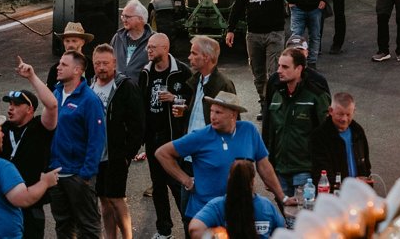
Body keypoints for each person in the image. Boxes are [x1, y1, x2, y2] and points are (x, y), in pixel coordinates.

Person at [156, 96, 288, 231]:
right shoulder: (201, 136)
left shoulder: (249, 131)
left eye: (218, 113)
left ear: (233, 114)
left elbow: (264, 166)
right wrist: (186, 180)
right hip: (206, 216)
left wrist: (282, 198)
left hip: (237, 213)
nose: (212, 116)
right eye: (211, 111)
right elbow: (162, 153)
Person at [137, 32, 191, 239]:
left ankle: (189, 227)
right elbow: (141, 103)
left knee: (176, 184)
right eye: (148, 46)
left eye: (153, 47)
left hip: (173, 138)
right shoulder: (146, 72)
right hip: (152, 137)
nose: (148, 50)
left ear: (165, 49)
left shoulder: (182, 72)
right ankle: (164, 230)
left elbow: (192, 100)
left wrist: (175, 98)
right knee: (158, 185)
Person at [46, 51, 104, 239]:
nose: (58, 67)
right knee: (63, 225)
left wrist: (86, 174)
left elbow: (96, 140)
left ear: (77, 70)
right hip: (56, 173)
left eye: (64, 64)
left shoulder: (90, 100)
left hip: (78, 175)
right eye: (59, 63)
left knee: (87, 226)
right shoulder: (56, 93)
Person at [0, 58, 58, 239]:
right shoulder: (2, 129)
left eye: (16, 105)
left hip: (32, 204)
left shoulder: (40, 128)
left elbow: (53, 105)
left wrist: (31, 76)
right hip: (4, 201)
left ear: (30, 109)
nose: (10, 108)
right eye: (9, 104)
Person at [262, 48, 330, 197]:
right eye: (279, 66)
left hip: (305, 171)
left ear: (299, 69)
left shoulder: (316, 97)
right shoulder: (276, 94)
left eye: (285, 67)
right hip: (279, 170)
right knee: (286, 217)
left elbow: (328, 135)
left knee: (302, 217)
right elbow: (269, 132)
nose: (279, 70)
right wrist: (270, 168)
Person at [90, 44, 142, 239]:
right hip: (96, 155)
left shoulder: (125, 86)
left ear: (114, 63)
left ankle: (127, 237)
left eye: (105, 63)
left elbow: (138, 123)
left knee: (116, 198)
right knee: (103, 199)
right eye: (97, 63)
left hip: (116, 155)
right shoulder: (89, 85)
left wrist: (128, 154)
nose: (101, 67)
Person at [226, 0, 289, 107]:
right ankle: (263, 102)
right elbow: (237, 7)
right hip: (253, 35)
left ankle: (274, 104)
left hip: (274, 34)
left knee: (274, 72)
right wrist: (230, 29)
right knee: (258, 73)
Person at [186, 160, 285, 239]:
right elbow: (282, 232)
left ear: (229, 179)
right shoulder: (266, 206)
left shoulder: (218, 205)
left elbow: (195, 230)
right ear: (253, 181)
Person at [310, 93, 371, 183]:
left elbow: (366, 163)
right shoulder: (319, 136)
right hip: (334, 193)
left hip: (358, 191)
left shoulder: (358, 131)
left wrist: (367, 181)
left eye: (348, 114)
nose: (344, 119)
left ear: (354, 111)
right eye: (340, 114)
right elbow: (321, 172)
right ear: (330, 111)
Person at [186, 36, 237, 135]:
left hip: (209, 146)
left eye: (194, 53)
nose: (189, 57)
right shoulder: (195, 81)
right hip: (192, 143)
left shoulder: (224, 85)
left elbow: (232, 122)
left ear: (206, 58)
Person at [110, 0, 153, 84]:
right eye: (123, 16)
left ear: (141, 19)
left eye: (128, 17)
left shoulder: (153, 39)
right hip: (118, 91)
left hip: (140, 93)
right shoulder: (117, 37)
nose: (124, 20)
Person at [47, 23, 94, 91]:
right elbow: (50, 96)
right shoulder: (55, 70)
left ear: (82, 42)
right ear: (63, 42)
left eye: (74, 41)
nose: (70, 45)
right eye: (67, 41)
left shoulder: (92, 66)